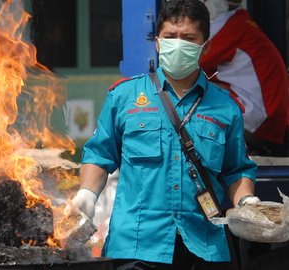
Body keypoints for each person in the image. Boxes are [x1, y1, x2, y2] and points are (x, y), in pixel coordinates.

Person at [69, 1, 258, 269]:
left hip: (203, 247)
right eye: (170, 37)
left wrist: (247, 203)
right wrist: (87, 195)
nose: (178, 44)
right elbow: (99, 155)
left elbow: (237, 169)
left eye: (189, 38)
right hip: (137, 245)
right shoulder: (124, 97)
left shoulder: (225, 108)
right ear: (157, 42)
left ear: (206, 46)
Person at [199, 0, 289, 156]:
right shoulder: (240, 24)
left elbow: (190, 66)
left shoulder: (227, 26)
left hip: (259, 122)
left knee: (187, 87)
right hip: (267, 122)